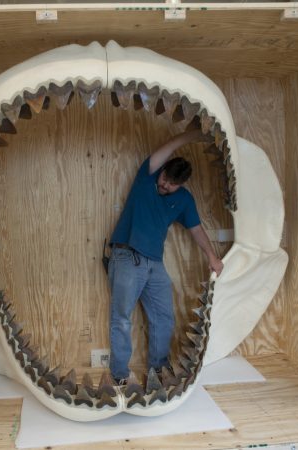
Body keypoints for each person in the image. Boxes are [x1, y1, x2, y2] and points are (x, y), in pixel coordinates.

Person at [108, 129, 224, 384]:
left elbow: (197, 230)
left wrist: (212, 257)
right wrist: (192, 136)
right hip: (127, 256)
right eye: (165, 178)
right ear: (161, 172)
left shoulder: (183, 199)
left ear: (180, 185)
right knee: (122, 318)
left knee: (164, 317)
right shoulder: (146, 178)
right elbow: (167, 148)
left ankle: (156, 373)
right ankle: (119, 377)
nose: (165, 184)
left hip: (154, 264)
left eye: (172, 183)